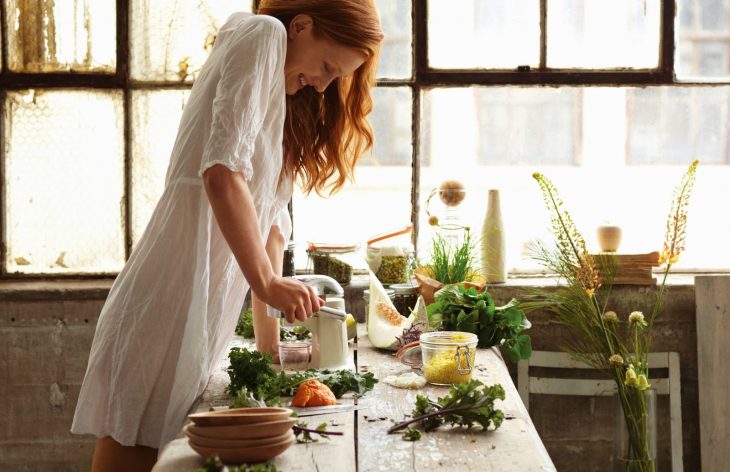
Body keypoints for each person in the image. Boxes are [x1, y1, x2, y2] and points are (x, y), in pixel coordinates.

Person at [70, 1, 383, 470]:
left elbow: (271, 228)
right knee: (130, 455)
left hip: (199, 316)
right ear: (300, 25)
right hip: (165, 299)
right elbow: (221, 171)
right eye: (325, 66)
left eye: (334, 77)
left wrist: (270, 349)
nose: (322, 83)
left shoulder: (282, 103)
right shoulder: (260, 35)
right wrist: (267, 285)